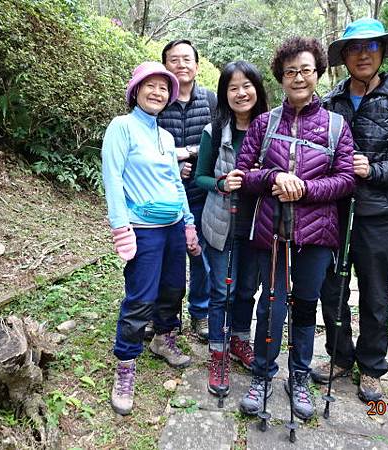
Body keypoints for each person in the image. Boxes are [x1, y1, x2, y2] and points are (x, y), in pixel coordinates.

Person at [311, 18, 388, 403]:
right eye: (354, 48)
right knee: (330, 290)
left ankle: (372, 367)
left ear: (382, 52)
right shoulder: (331, 101)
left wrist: (375, 170)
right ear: (344, 57)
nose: (363, 55)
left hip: (379, 216)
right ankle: (339, 357)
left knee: (375, 294)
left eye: (371, 47)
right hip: (333, 212)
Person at [235, 37, 355, 420]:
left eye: (305, 70)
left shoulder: (337, 127)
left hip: (318, 236)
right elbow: (244, 172)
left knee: (305, 308)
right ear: (281, 78)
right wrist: (274, 177)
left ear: (317, 73)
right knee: (270, 305)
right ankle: (262, 375)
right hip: (273, 232)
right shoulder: (264, 123)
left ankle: (299, 377)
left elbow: (347, 179)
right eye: (290, 72)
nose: (298, 77)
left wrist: (305, 188)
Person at [102, 61, 202, 415]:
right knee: (140, 298)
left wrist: (189, 222)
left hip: (174, 225)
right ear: (136, 90)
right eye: (151, 85)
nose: (158, 92)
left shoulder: (165, 136)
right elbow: (112, 179)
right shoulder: (121, 127)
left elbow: (176, 183)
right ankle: (125, 366)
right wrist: (120, 227)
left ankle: (164, 339)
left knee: (174, 288)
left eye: (164, 87)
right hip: (142, 227)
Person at [195, 61, 268, 396]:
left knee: (246, 290)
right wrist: (222, 183)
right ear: (225, 93)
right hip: (223, 224)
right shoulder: (214, 129)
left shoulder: (271, 129)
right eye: (233, 87)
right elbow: (200, 176)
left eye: (247, 85)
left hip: (258, 225)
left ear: (258, 88)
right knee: (221, 292)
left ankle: (240, 340)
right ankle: (217, 353)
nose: (241, 93)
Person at [156, 39, 217, 341]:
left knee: (202, 257)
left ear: (197, 64)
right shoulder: (156, 98)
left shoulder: (211, 100)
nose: (181, 65)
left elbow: (220, 142)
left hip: (203, 195)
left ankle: (200, 314)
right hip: (163, 196)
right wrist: (171, 165)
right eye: (173, 59)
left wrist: (189, 153)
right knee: (167, 258)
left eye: (187, 59)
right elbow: (142, 147)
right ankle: (163, 317)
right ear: (165, 64)